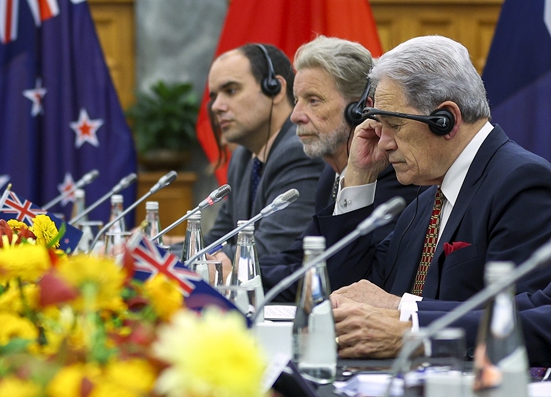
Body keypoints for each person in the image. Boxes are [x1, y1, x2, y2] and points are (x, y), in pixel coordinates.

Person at [328, 35, 551, 357]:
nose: (384, 142)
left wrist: (405, 311)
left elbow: (521, 316)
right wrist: (359, 177)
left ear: (445, 120)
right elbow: (354, 291)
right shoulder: (424, 201)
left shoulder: (521, 183)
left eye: (393, 124)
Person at [258, 37, 419, 291]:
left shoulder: (395, 177)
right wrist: (238, 271)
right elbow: (300, 255)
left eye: (313, 100)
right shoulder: (330, 176)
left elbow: (342, 280)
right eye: (297, 100)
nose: (295, 115)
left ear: (362, 109)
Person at [204, 43, 325, 257]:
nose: (216, 106)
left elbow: (270, 252)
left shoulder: (299, 151)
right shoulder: (242, 158)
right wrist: (155, 253)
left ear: (275, 89)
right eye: (214, 96)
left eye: (231, 90)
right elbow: (215, 241)